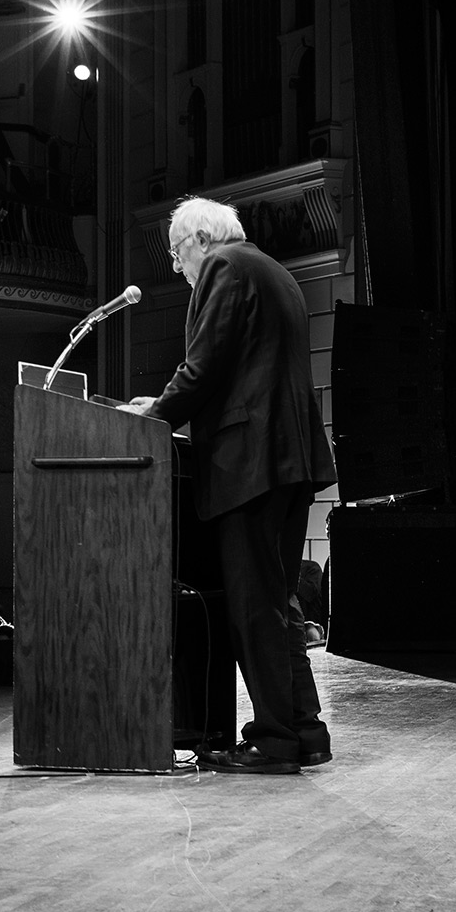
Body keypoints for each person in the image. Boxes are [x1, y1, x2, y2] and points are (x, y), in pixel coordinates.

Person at [121, 196, 337, 774]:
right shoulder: (276, 271)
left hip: (252, 462)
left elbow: (205, 362)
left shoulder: (224, 267)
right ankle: (305, 728)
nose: (175, 266)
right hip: (289, 459)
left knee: (253, 607)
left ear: (199, 239)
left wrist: (156, 412)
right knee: (277, 599)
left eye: (175, 252)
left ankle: (273, 740)